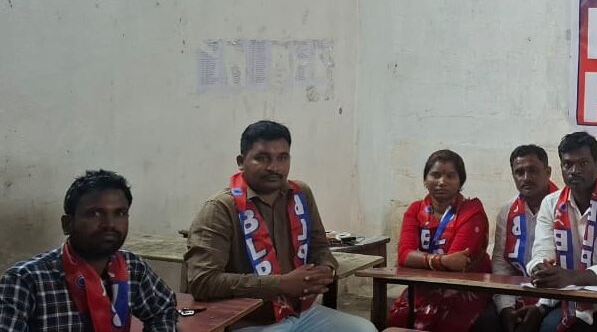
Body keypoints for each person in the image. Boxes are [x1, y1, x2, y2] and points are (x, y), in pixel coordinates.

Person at [185, 120, 375, 332]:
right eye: (262, 158)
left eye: (282, 158)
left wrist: (325, 269)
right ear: (241, 161)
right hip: (248, 320)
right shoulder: (220, 208)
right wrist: (281, 284)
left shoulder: (300, 194)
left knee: (364, 329)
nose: (274, 167)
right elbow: (202, 281)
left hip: (301, 312)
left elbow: (320, 247)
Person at [0, 169, 178, 331]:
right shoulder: (24, 281)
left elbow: (163, 310)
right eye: (95, 213)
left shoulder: (133, 267)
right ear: (67, 224)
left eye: (120, 213)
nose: (110, 224)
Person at [529, 132, 597, 332]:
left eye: (583, 163)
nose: (574, 171)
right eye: (567, 164)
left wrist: (569, 277)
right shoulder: (551, 204)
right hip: (566, 298)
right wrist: (540, 269)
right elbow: (541, 252)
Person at [389, 149, 493, 330]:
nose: (442, 182)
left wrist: (421, 260)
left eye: (450, 176)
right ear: (425, 180)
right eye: (435, 175)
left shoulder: (471, 211)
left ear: (460, 182)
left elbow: (457, 264)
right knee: (397, 318)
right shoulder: (415, 210)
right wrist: (441, 261)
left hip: (465, 287)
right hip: (423, 286)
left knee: (447, 323)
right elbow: (404, 255)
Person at [492, 145, 558, 332]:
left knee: (549, 327)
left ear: (548, 172)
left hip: (556, 297)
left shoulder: (564, 208)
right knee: (487, 322)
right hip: (515, 293)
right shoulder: (507, 211)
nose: (526, 178)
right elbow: (501, 265)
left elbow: (571, 267)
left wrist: (540, 307)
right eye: (519, 172)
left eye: (533, 170)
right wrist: (506, 308)